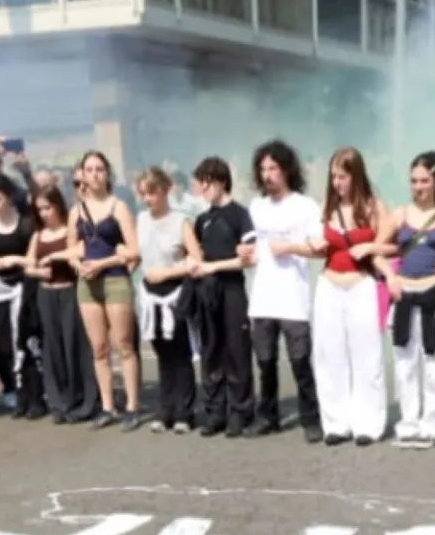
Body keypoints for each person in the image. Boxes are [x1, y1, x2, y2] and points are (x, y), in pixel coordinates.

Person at [309, 146, 389, 447]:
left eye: (342, 176)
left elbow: (392, 246)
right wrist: (312, 244)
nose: (337, 183)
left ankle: (368, 423)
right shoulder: (327, 209)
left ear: (356, 176)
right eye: (333, 176)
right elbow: (318, 246)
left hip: (361, 283)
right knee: (329, 355)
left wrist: (370, 248)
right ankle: (335, 422)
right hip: (329, 284)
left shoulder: (373, 206)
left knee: (367, 355)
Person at [245, 139, 322, 440]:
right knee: (265, 362)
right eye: (263, 169)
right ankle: (268, 416)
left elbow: (318, 249)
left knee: (300, 362)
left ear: (286, 169)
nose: (267, 175)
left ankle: (310, 419)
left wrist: (289, 246)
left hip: (293, 296)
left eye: (273, 168)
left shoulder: (305, 206)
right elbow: (252, 247)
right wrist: (245, 252)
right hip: (262, 295)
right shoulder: (256, 207)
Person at [388, 151, 435, 449]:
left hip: (434, 295)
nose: (418, 186)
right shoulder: (398, 215)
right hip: (404, 294)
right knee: (405, 361)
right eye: (414, 181)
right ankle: (408, 422)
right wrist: (390, 277)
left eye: (424, 180)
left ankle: (433, 424)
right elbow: (380, 250)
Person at [72, 150, 142, 429]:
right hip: (87, 284)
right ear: (83, 175)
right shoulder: (76, 210)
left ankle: (133, 406)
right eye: (89, 169)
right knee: (99, 348)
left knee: (123, 344)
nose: (94, 174)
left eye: (99, 169)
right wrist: (78, 264)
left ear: (107, 173)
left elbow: (134, 249)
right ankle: (107, 406)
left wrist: (103, 263)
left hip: (114, 278)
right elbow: (71, 247)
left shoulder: (119, 207)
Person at [189, 157, 256, 436]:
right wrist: (194, 266)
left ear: (220, 180)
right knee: (211, 350)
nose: (202, 188)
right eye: (200, 182)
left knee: (236, 350)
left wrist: (212, 266)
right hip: (208, 292)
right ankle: (215, 410)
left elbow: (248, 259)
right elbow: (194, 253)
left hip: (232, 290)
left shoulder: (240, 214)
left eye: (206, 182)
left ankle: (241, 411)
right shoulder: (203, 220)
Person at [0, 173, 45, 419]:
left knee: (27, 339)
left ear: (9, 196)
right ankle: (14, 390)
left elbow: (35, 256)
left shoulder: (25, 222)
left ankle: (36, 395)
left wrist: (15, 259)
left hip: (23, 284)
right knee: (3, 341)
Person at [134, 166, 198, 433]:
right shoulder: (141, 219)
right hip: (149, 294)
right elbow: (136, 254)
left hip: (174, 292)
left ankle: (185, 411)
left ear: (165, 190)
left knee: (179, 353)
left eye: (153, 192)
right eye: (143, 194)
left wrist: (169, 272)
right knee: (161, 353)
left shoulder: (181, 221)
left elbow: (196, 259)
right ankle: (165, 408)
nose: (148, 199)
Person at [28, 184, 93, 423]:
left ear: (57, 206)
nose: (44, 213)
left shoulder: (70, 230)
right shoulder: (38, 235)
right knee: (52, 348)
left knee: (73, 345)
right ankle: (58, 401)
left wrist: (56, 257)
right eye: (40, 209)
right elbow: (28, 265)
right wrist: (39, 272)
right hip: (46, 294)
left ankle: (80, 400)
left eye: (48, 207)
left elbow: (78, 251)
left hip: (69, 291)